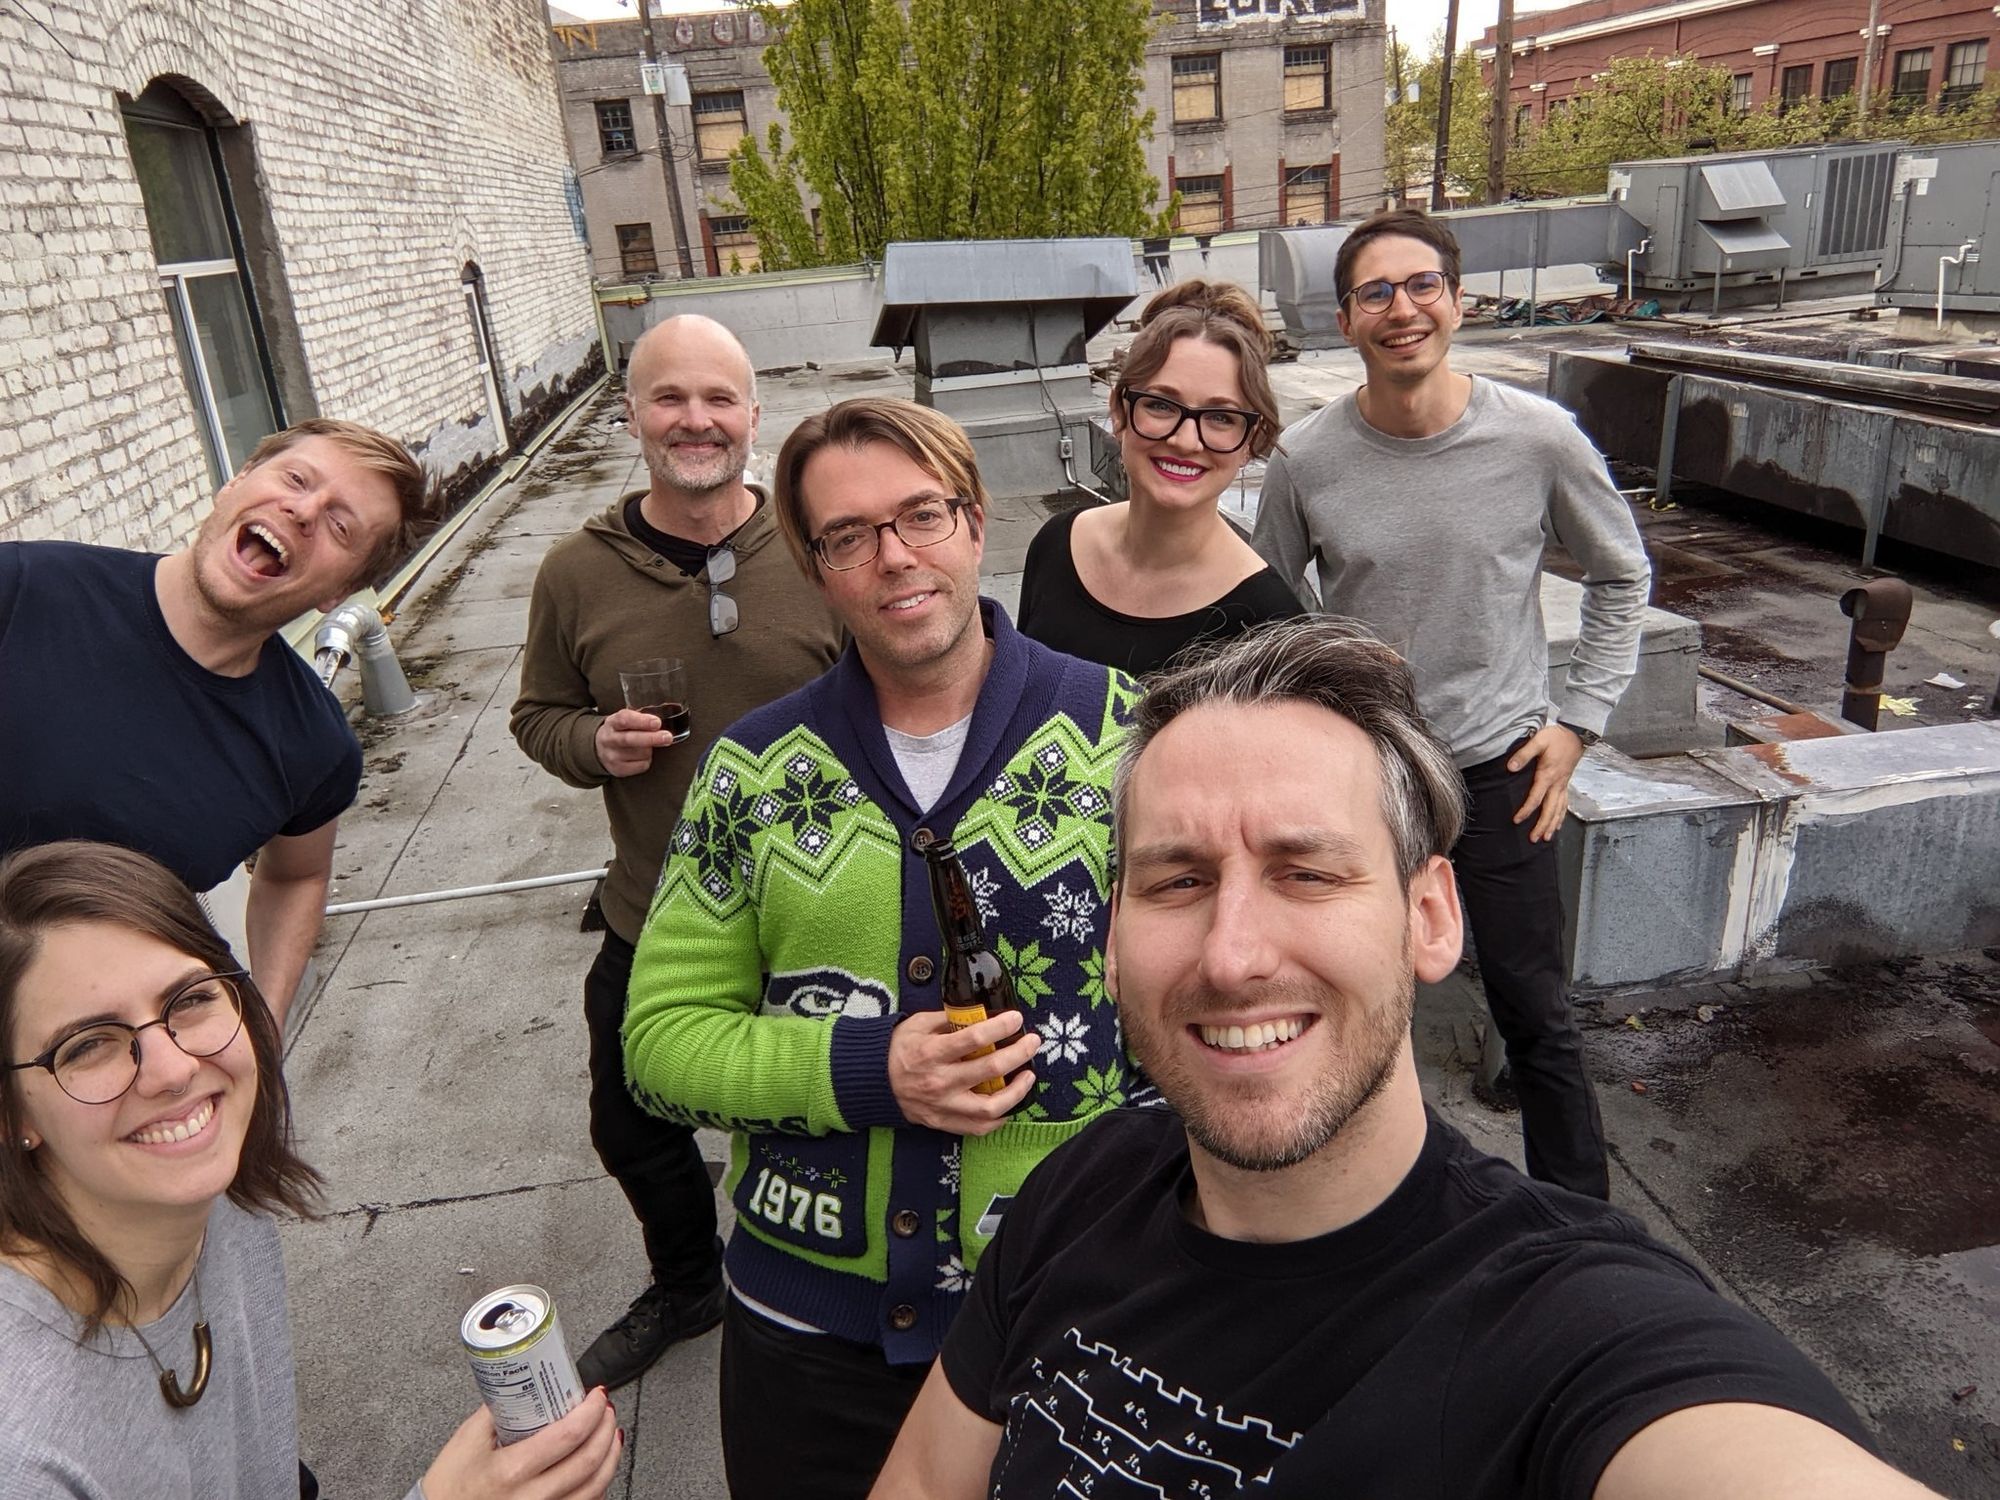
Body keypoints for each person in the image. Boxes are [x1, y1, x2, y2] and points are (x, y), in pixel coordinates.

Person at [872, 619, 1943, 1500]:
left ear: (1429, 917)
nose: (1232, 956)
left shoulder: (1566, 1329)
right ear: (1111, 936)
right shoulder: (1078, 1187)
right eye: (1177, 881)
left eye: (1306, 873)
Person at [622, 396, 1147, 1499]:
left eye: (920, 515)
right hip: (806, 1339)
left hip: (1068, 1311)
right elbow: (659, 1047)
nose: (893, 556)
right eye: (848, 537)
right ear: (816, 571)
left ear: (975, 521)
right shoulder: (751, 774)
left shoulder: (1128, 739)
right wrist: (869, 1070)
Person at [0, 840, 623, 1499]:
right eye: (89, 1045)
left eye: (189, 998)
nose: (174, 1070)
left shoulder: (217, 1204)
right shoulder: (23, 1453)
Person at [1252, 207, 1652, 1200]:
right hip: (1372, 778)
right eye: (1375, 292)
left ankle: (1579, 1231)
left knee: (1535, 1014)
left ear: (1458, 301)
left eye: (1422, 284)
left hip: (1501, 768)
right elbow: (1268, 611)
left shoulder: (1537, 438)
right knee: (1357, 1008)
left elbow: (1621, 573)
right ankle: (1376, 1206)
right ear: (1345, 319)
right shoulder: (1305, 461)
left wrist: (1579, 722)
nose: (1402, 309)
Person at [510, 315, 843, 1391]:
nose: (694, 420)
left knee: (824, 1109)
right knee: (629, 1121)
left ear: (753, 414)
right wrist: (592, 745)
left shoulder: (819, 545)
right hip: (654, 906)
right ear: (631, 416)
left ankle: (828, 1280)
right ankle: (691, 1281)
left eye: (717, 398)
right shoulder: (574, 572)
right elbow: (537, 714)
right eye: (668, 398)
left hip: (822, 912)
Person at [0, 418, 439, 1026]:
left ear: (341, 591)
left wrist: (267, 1024)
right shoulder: (23, 591)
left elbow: (298, 876)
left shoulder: (313, 746)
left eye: (341, 526)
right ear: (236, 481)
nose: (304, 511)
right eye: (296, 479)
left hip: (96, 1049)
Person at [1017, 280, 1302, 678]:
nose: (1185, 441)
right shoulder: (1056, 546)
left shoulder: (1270, 628)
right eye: (1161, 405)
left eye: (1221, 417)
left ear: (1250, 442)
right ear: (1119, 411)